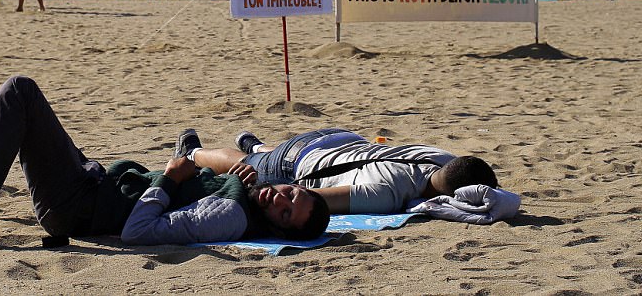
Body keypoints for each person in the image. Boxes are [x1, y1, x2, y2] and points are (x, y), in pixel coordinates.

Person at [0, 76, 330, 247]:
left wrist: (167, 179)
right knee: (25, 117)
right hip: (95, 184)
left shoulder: (229, 216)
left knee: (20, 93)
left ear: (279, 227)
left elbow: (138, 231)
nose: (280, 198)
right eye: (291, 193)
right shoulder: (246, 193)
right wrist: (228, 172)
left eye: (286, 212)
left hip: (77, 206)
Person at [186, 128, 499, 216]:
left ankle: (258, 146)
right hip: (296, 162)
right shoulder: (386, 192)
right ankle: (193, 152)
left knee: (265, 155)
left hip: (340, 137)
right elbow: (309, 197)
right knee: (244, 165)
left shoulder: (440, 156)